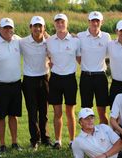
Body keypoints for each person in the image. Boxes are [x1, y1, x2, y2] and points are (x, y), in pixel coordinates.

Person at [0, 18, 23, 154]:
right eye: (5, 28)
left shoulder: (17, 40)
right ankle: (2, 144)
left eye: (10, 28)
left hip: (15, 84)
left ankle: (14, 142)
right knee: (0, 116)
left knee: (13, 115)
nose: (8, 30)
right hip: (0, 86)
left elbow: (36, 40)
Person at [47, 13, 80, 149]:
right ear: (54, 24)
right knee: (57, 112)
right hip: (55, 78)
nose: (60, 25)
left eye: (62, 22)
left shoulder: (75, 40)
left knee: (70, 111)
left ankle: (72, 141)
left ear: (67, 23)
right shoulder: (49, 40)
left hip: (70, 79)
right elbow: (46, 54)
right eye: (57, 22)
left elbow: (79, 58)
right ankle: (58, 140)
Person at [20, 16, 52, 150]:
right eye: (35, 26)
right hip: (29, 80)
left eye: (40, 26)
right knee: (32, 111)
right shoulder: (22, 42)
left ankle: (45, 138)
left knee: (44, 111)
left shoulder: (49, 42)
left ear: (44, 28)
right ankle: (35, 139)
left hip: (44, 78)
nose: (37, 28)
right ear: (30, 27)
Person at [77, 11, 111, 124]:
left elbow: (111, 53)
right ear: (89, 22)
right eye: (93, 21)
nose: (95, 23)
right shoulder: (80, 36)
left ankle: (105, 136)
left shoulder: (106, 37)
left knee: (102, 111)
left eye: (97, 21)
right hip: (86, 76)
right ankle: (88, 137)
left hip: (100, 77)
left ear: (101, 22)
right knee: (86, 111)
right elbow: (77, 56)